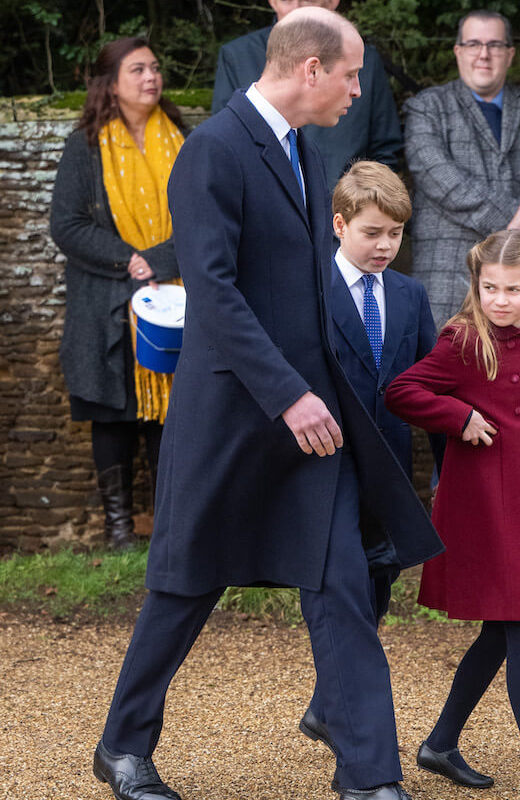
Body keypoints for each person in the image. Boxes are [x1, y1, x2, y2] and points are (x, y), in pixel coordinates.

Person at [91, 10, 441, 800]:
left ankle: (369, 777)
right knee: (184, 588)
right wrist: (288, 396)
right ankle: (121, 747)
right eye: (351, 74)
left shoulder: (307, 154)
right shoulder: (213, 150)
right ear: (310, 69)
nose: (360, 89)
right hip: (231, 422)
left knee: (343, 585)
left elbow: (311, 292)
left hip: (312, 425)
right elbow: (213, 295)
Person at [385, 229, 520, 800]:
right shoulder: (460, 338)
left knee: (502, 633)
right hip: (482, 503)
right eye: (489, 288)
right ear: (475, 285)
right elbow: (402, 391)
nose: (499, 300)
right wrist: (459, 417)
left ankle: (440, 744)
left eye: (512, 290)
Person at [298, 160, 446, 748]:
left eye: (396, 233)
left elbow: (430, 386)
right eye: (372, 232)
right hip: (328, 465)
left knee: (380, 582)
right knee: (346, 592)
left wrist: (443, 466)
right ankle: (346, 717)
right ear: (339, 224)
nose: (386, 245)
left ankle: (323, 708)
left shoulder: (410, 295)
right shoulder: (310, 290)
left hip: (390, 468)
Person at [50, 37, 186, 550]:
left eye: (155, 67)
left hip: (173, 297)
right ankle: (119, 531)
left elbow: (203, 216)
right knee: (112, 412)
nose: (151, 77)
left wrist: (160, 260)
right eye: (138, 69)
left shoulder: (184, 140)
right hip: (104, 301)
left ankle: (168, 527)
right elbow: (67, 224)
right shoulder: (84, 145)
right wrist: (127, 258)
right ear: (110, 83)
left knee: (168, 414)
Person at [403, 9, 520, 361]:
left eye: (495, 45)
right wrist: (513, 219)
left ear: (510, 54)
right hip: (452, 272)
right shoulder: (426, 109)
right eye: (473, 44)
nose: (483, 53)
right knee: (454, 391)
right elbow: (437, 174)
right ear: (458, 51)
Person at [211, 0, 404, 187]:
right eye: (287, 0)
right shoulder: (238, 56)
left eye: (308, 0)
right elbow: (228, 141)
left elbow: (385, 149)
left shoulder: (364, 59)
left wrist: (359, 206)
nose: (296, 9)